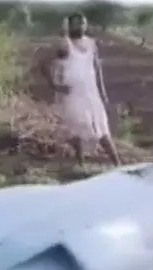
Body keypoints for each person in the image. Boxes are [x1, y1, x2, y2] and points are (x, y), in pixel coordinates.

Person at [47, 12, 122, 167]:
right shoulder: (63, 45)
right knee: (77, 128)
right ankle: (80, 163)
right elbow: (43, 64)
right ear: (69, 25)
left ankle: (118, 164)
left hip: (91, 92)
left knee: (101, 128)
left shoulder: (91, 43)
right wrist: (54, 85)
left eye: (83, 23)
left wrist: (103, 92)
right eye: (76, 23)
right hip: (73, 93)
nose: (80, 26)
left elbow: (97, 68)